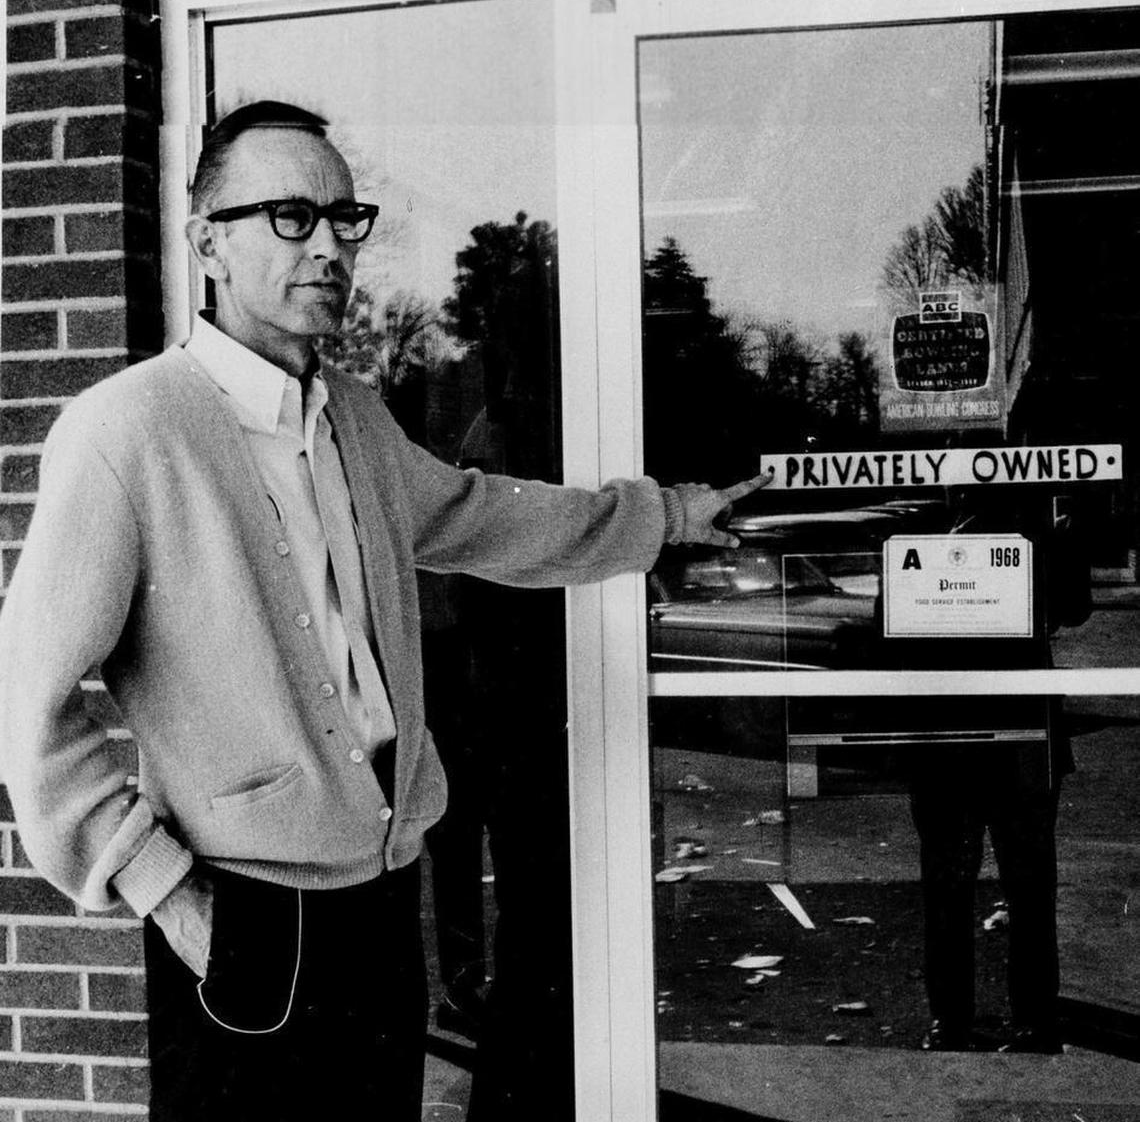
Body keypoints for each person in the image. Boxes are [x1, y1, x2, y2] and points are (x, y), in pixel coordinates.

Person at [0, 101, 772, 1122]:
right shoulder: (127, 433)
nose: (328, 245)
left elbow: (480, 516)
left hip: (380, 892)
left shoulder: (352, 414)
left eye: (342, 217)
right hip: (243, 912)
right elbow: (27, 700)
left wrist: (662, 517)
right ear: (206, 246)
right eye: (289, 217)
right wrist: (164, 892)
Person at [896, 485, 1090, 1055]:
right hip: (998, 740)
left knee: (961, 888)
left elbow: (1071, 606)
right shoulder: (1016, 544)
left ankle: (965, 1018)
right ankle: (1020, 1017)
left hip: (967, 738)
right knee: (1014, 888)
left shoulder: (941, 545)